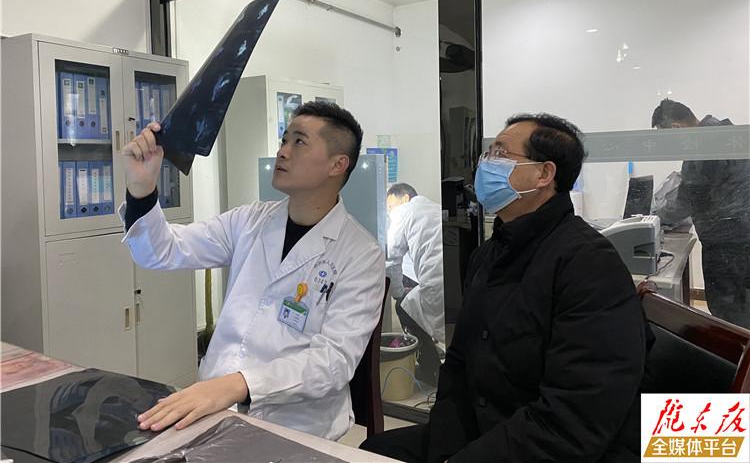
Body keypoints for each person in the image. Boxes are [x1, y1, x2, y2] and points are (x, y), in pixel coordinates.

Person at [362, 113, 648, 463]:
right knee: (372, 452)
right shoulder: (490, 254)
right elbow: (459, 366)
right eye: (488, 154)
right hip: (481, 430)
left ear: (544, 174)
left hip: (541, 446)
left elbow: (576, 415)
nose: (485, 165)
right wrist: (446, 444)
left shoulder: (589, 265)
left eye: (500, 154)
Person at [120, 101, 385, 440]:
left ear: (338, 164)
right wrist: (142, 189)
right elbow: (162, 251)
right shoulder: (250, 220)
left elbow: (333, 362)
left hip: (297, 428)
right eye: (284, 139)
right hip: (215, 411)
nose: (283, 151)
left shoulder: (360, 254)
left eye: (299, 142)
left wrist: (239, 384)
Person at [651, 99, 750, 327]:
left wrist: (655, 219)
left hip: (727, 246)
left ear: (676, 128)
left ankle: (732, 349)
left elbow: (687, 201)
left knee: (728, 312)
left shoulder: (703, 146)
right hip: (741, 238)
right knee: (743, 305)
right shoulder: (723, 132)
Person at [386, 183, 445, 385]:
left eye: (390, 206)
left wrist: (398, 293)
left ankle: (430, 370)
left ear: (405, 198)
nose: (389, 212)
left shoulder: (402, 213)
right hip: (455, 280)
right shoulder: (436, 208)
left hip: (436, 285)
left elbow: (392, 259)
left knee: (403, 306)